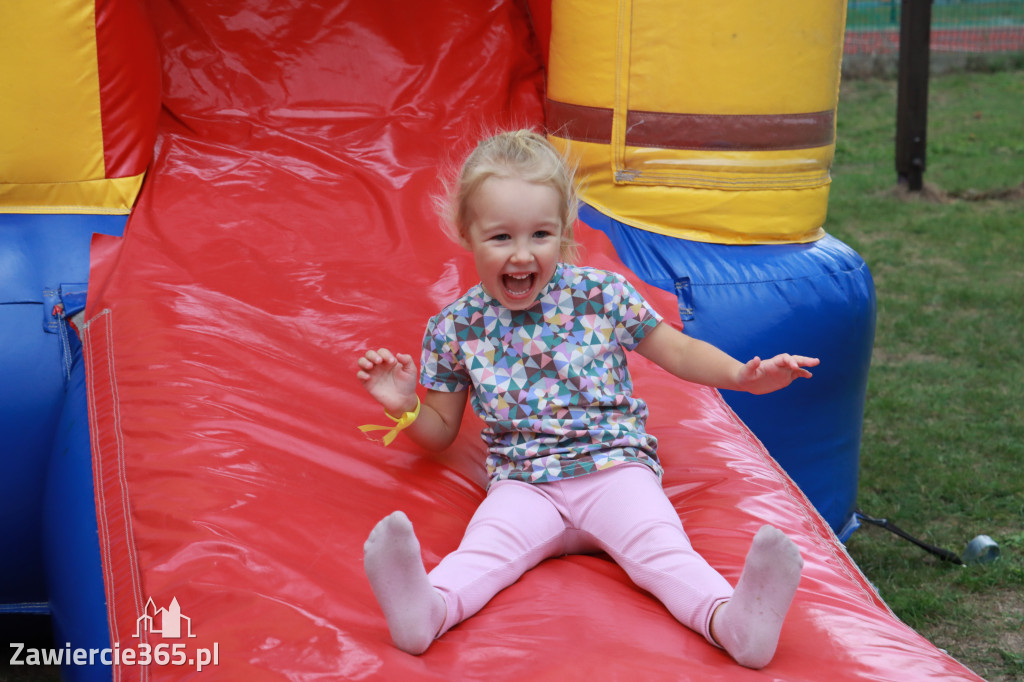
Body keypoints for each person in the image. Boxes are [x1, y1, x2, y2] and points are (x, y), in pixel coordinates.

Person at [356, 130, 817, 669]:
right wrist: (405, 406)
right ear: (467, 233)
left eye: (541, 234)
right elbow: (439, 431)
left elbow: (677, 349)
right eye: (501, 237)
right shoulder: (454, 327)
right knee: (484, 550)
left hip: (614, 468)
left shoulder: (600, 294)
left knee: (662, 550)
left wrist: (742, 375)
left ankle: (733, 622)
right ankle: (425, 613)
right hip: (525, 483)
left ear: (564, 230)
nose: (523, 254)